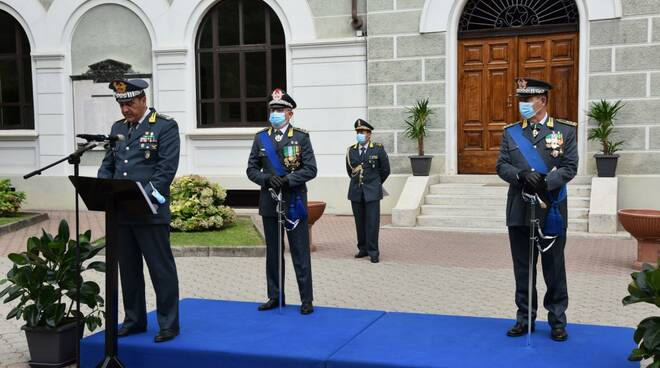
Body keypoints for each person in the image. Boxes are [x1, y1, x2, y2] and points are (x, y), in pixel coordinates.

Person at [98, 79, 180, 343]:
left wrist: (147, 197)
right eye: (121, 104)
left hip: (150, 212)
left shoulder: (165, 126)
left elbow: (165, 169)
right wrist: (103, 188)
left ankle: (168, 323)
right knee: (129, 271)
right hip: (121, 214)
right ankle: (134, 320)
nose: (125, 110)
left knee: (160, 270)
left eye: (129, 103)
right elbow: (108, 164)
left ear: (143, 100)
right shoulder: (117, 128)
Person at [496, 77, 578, 342]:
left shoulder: (564, 131)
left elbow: (569, 166)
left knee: (554, 267)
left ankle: (557, 320)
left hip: (551, 208)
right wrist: (520, 175)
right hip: (520, 208)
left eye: (527, 100)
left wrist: (545, 181)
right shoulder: (511, 132)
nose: (523, 104)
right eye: (521, 100)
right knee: (523, 268)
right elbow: (501, 165)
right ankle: (524, 318)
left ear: (542, 101)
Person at [246, 88, 317, 315]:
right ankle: (275, 296)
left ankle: (306, 299)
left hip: (294, 201)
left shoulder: (301, 137)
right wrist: (267, 179)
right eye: (272, 109)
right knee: (274, 253)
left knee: (299, 251)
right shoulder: (261, 138)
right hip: (270, 201)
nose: (275, 113)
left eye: (280, 110)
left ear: (290, 113)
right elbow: (251, 169)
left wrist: (288, 180)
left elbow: (311, 169)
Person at [345, 119, 390, 263]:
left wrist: (375, 184)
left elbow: (385, 170)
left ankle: (373, 251)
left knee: (372, 222)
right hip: (356, 191)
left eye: (362, 132)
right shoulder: (351, 150)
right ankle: (362, 248)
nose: (360, 134)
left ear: (369, 134)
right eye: (358, 132)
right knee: (360, 222)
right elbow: (349, 171)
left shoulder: (378, 149)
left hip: (372, 192)